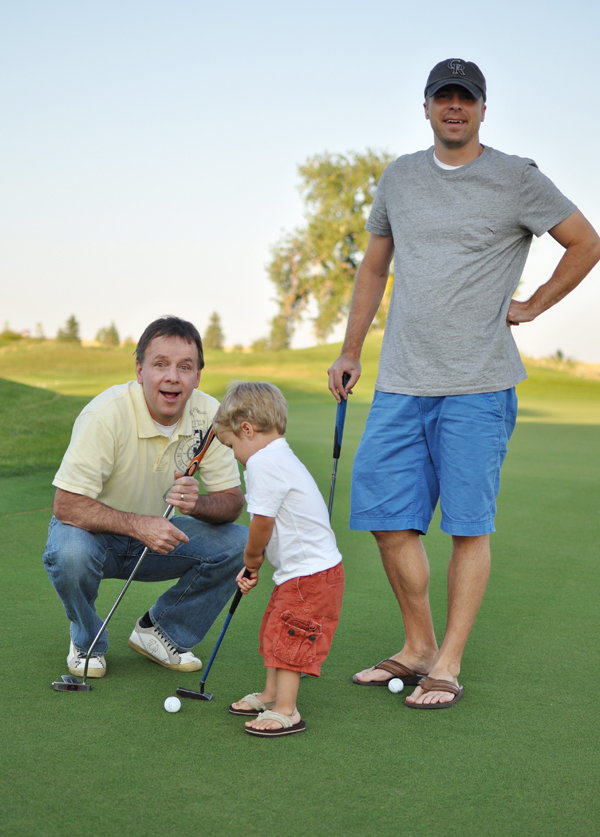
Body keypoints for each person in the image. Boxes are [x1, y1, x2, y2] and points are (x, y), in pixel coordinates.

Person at [328, 59, 600, 708]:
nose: (455, 107)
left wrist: (532, 305)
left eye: (466, 98)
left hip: (478, 384)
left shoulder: (516, 178)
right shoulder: (399, 177)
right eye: (443, 97)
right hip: (400, 381)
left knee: (468, 528)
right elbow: (373, 269)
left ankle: (447, 662)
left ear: (482, 109)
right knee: (388, 520)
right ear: (425, 107)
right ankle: (418, 644)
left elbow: (585, 243)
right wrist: (350, 349)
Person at [43, 316, 247, 678]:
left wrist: (197, 504)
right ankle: (87, 641)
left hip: (158, 540)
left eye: (185, 366)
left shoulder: (209, 416)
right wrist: (139, 525)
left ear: (198, 376)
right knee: (69, 554)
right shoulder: (106, 414)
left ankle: (162, 632)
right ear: (140, 371)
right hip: (93, 536)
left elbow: (232, 501)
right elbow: (66, 505)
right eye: (160, 364)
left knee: (241, 543)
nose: (172, 377)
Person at [213, 382, 344, 736]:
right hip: (303, 573)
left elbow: (262, 522)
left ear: (247, 429)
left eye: (231, 446)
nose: (234, 455)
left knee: (291, 636)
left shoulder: (263, 463)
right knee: (276, 627)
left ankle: (287, 709)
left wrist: (251, 559)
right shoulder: (278, 455)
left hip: (310, 576)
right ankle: (271, 694)